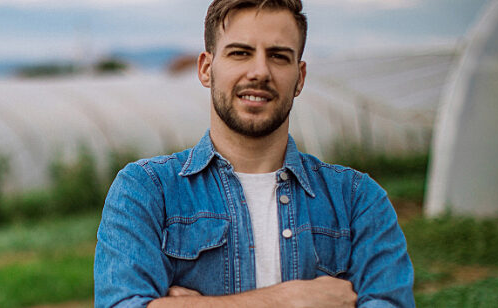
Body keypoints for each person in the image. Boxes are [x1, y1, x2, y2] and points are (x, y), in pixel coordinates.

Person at [93, 0, 415, 307]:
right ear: (206, 69)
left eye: (278, 56)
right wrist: (290, 301)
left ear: (300, 77)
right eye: (240, 53)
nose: (260, 71)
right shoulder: (147, 191)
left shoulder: (357, 200)